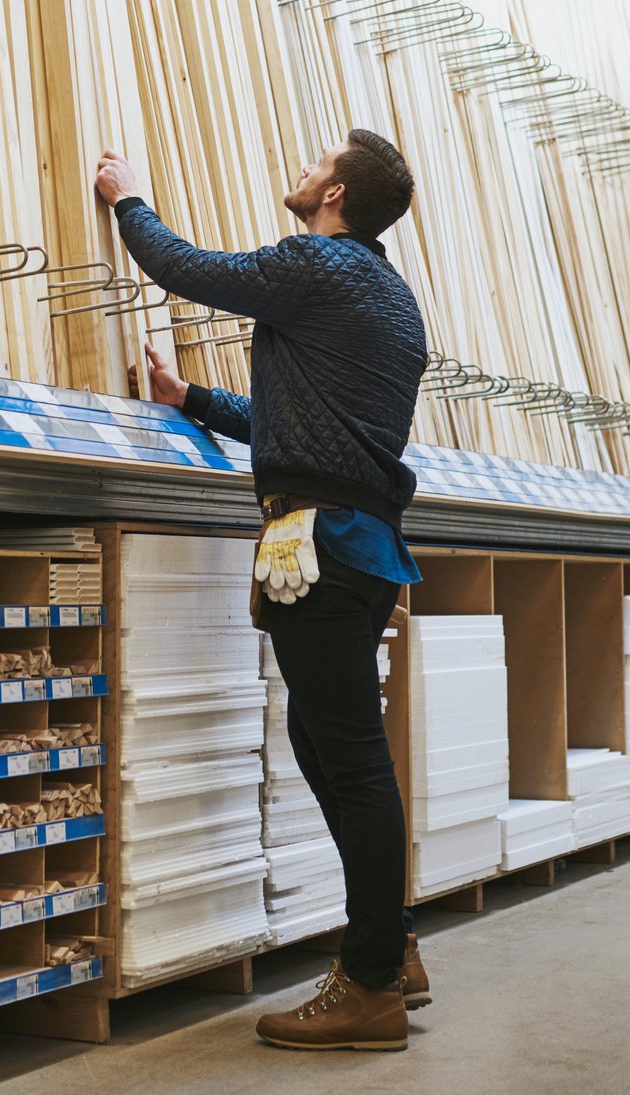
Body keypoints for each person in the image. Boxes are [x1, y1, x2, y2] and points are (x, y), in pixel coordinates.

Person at [93, 129, 430, 1052]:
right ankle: (390, 949)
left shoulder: (314, 265)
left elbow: (182, 267)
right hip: (358, 550)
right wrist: (192, 399)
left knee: (351, 759)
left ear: (336, 199)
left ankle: (368, 987)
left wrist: (128, 197)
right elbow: (301, 426)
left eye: (317, 164)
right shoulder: (391, 298)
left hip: (320, 548)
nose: (301, 168)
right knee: (326, 744)